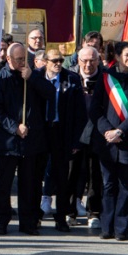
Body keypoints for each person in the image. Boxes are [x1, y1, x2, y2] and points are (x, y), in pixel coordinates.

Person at [0, 43, 55, 236]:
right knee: (5, 183)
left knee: (29, 184)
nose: (22, 62)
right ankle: (2, 221)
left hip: (31, 140)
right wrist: (14, 128)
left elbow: (51, 93)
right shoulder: (1, 79)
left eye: (24, 59)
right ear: (9, 59)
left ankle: (28, 222)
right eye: (18, 59)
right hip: (9, 141)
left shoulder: (33, 75)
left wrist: (33, 79)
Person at [89, 41, 128, 241]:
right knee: (108, 185)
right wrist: (107, 131)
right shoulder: (106, 77)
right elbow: (95, 108)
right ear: (118, 56)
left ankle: (121, 228)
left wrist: (120, 131)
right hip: (106, 142)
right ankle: (106, 226)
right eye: (127, 55)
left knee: (125, 185)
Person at [36, 49, 85, 233]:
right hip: (42, 131)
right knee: (36, 174)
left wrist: (76, 141)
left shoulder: (71, 79)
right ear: (45, 61)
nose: (58, 63)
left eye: (61, 60)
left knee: (62, 177)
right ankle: (36, 215)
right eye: (54, 60)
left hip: (62, 132)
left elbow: (80, 113)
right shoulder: (37, 77)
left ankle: (62, 216)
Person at [68, 46, 104, 229]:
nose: (88, 64)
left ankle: (93, 212)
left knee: (94, 175)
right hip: (75, 133)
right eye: (84, 60)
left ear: (98, 60)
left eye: (92, 60)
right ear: (78, 61)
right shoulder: (71, 77)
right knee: (72, 174)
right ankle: (70, 211)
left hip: (97, 133)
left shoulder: (105, 79)